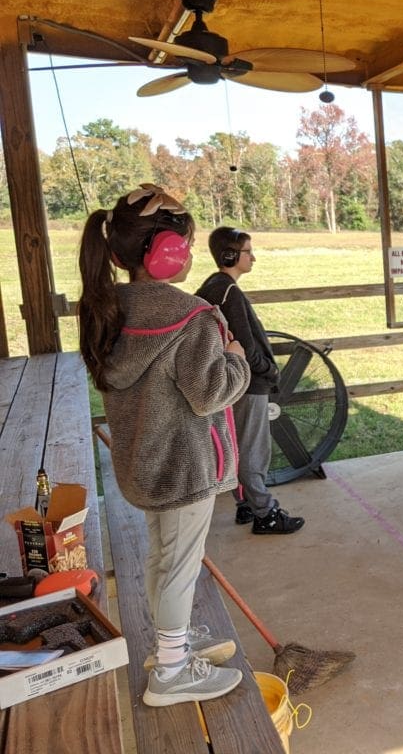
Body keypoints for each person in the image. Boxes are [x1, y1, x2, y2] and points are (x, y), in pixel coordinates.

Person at [77, 184, 251, 707]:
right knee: (180, 565)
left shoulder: (107, 307)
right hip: (184, 467)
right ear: (169, 253)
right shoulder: (191, 316)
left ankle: (169, 642)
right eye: (188, 243)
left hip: (142, 465)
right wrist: (236, 358)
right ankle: (171, 674)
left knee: (162, 558)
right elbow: (210, 394)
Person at [196, 227, 305, 535]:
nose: (253, 257)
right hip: (248, 382)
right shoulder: (228, 291)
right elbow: (245, 345)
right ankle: (265, 513)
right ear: (230, 256)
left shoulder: (214, 287)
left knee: (236, 445)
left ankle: (244, 503)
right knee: (253, 450)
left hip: (232, 380)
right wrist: (268, 370)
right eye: (248, 252)